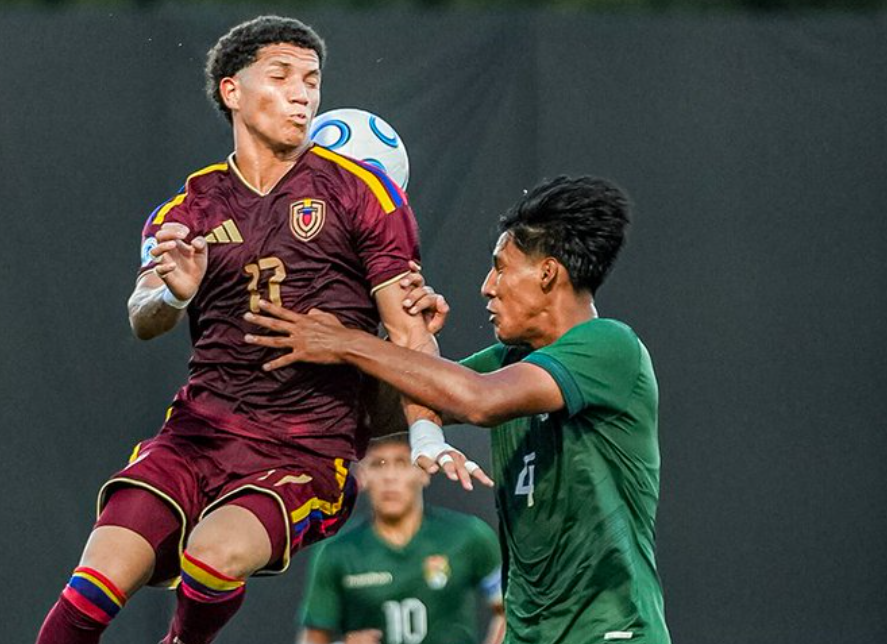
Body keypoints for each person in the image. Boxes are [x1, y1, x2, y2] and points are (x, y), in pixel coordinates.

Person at [35, 15, 456, 644]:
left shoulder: (366, 195)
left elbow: (410, 332)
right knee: (94, 579)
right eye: (282, 76)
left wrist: (426, 435)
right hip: (198, 432)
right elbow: (142, 315)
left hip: (305, 448)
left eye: (312, 81)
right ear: (231, 91)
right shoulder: (191, 207)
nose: (301, 94)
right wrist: (174, 295)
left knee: (212, 554)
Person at [244, 175, 672, 643]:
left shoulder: (609, 347)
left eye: (501, 268)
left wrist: (349, 343)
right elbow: (382, 414)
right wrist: (407, 340)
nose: (487, 287)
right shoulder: (512, 361)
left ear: (547, 273)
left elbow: (479, 400)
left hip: (611, 634)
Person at [298, 434, 505, 644]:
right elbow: (313, 638)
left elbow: (509, 609)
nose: (390, 476)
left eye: (402, 462)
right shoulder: (337, 551)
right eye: (378, 464)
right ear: (362, 475)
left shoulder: (467, 535)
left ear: (424, 472)